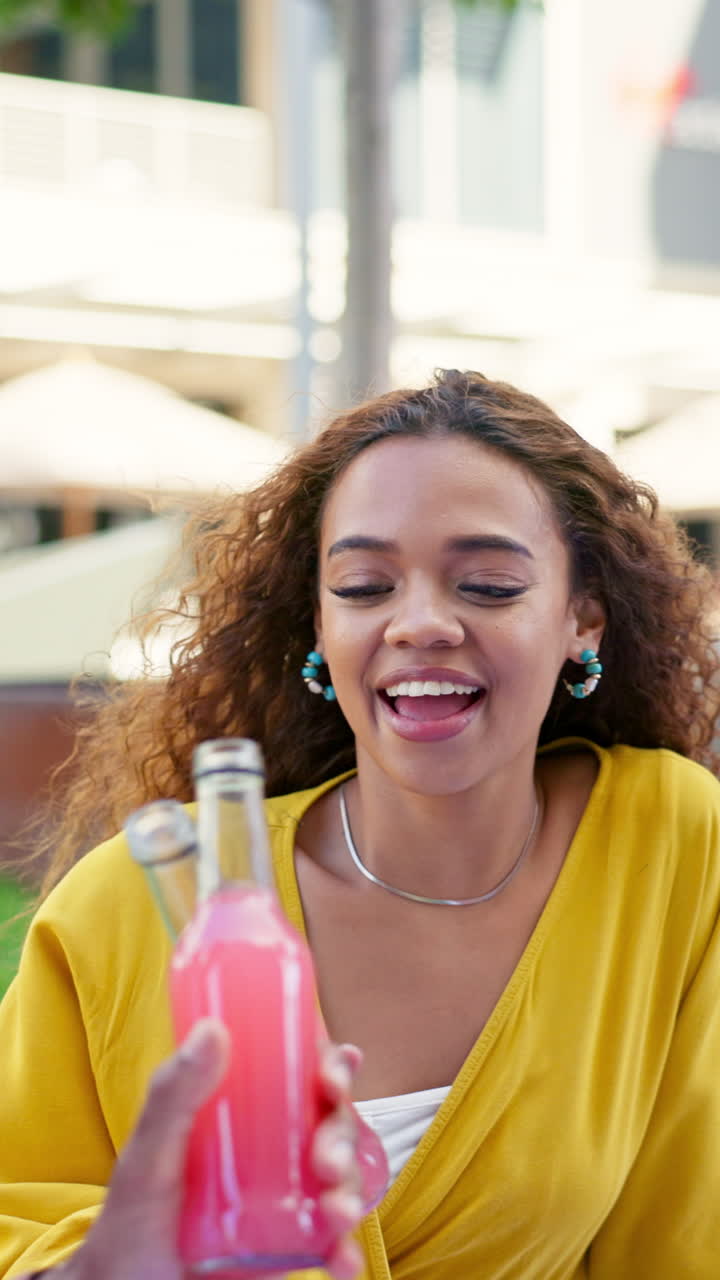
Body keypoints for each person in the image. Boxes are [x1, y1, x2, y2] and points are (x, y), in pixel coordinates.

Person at [1, 367, 719, 1280]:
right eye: (364, 586)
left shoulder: (670, 841)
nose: (420, 623)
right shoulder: (133, 907)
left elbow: (687, 1240)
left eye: (490, 586)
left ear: (584, 618)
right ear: (317, 626)